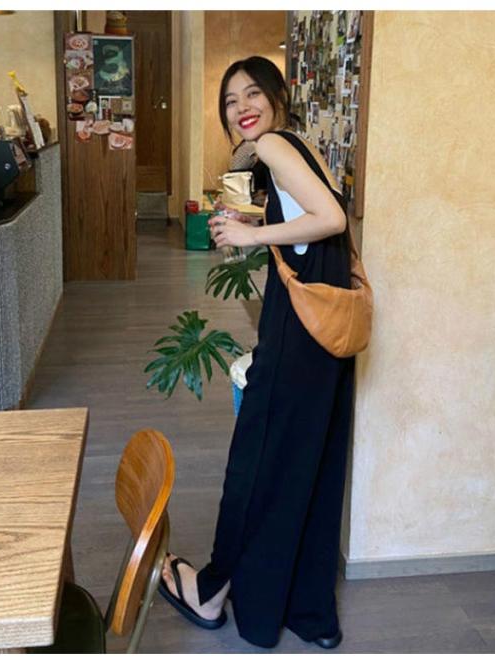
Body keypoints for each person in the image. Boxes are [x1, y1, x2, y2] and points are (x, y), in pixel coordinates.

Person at [159, 55, 355, 650]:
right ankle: (307, 612)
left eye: (252, 94)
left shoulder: (273, 144)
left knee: (255, 463)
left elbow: (330, 218)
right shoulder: (302, 145)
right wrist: (250, 225)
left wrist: (251, 233)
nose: (241, 107)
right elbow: (313, 219)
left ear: (275, 97)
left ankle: (212, 589)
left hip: (298, 333)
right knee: (306, 467)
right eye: (230, 100)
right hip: (325, 336)